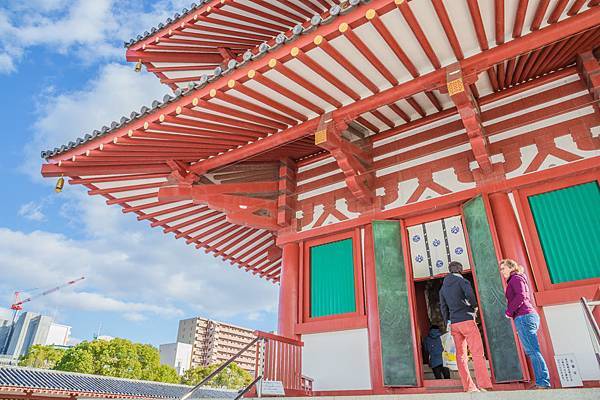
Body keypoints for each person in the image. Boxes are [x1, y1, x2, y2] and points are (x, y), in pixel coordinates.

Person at [439, 261, 492, 393]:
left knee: (460, 356)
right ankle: (483, 384)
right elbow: (470, 295)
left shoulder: (443, 288)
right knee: (477, 353)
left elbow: (443, 307)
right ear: (460, 270)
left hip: (454, 323)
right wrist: (474, 307)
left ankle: (469, 387)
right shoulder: (463, 282)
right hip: (467, 320)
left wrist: (448, 322)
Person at [500, 259, 551, 389]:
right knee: (532, 350)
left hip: (524, 316)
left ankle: (543, 382)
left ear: (512, 267)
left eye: (503, 268)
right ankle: (541, 381)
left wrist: (509, 311)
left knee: (533, 351)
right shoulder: (517, 278)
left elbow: (521, 296)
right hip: (526, 316)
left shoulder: (516, 278)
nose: (502, 271)